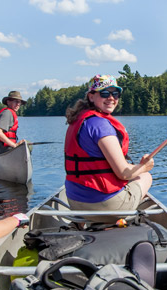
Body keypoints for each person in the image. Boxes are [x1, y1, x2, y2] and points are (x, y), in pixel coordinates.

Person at [63, 74, 154, 222]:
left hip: (74, 203)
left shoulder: (79, 120)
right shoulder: (100, 125)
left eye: (115, 93)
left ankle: (81, 224)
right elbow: (124, 173)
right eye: (104, 93)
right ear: (91, 97)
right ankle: (118, 217)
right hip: (103, 206)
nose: (111, 97)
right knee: (145, 177)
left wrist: (136, 166)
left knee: (131, 174)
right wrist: (145, 167)